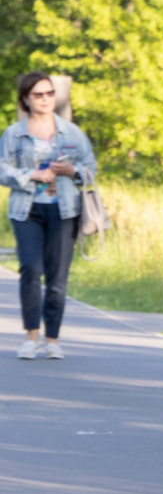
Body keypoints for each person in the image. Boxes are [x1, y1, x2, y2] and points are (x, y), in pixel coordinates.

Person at [4, 73, 98, 360]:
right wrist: (34, 174)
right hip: (27, 210)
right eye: (38, 95)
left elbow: (90, 168)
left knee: (57, 277)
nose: (45, 99)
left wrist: (74, 172)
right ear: (26, 99)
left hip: (64, 210)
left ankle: (52, 339)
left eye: (49, 94)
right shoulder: (13, 134)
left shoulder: (72, 133)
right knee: (31, 270)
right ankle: (31, 336)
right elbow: (2, 170)